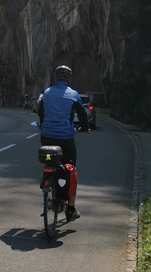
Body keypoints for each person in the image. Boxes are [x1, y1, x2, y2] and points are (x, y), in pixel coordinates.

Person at [37, 65, 88, 221]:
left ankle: (47, 180)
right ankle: (71, 209)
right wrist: (84, 127)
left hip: (46, 137)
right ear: (68, 79)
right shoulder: (73, 95)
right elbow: (82, 114)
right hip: (65, 139)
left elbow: (40, 110)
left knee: (50, 162)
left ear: (55, 77)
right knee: (71, 170)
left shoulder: (46, 93)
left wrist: (43, 123)